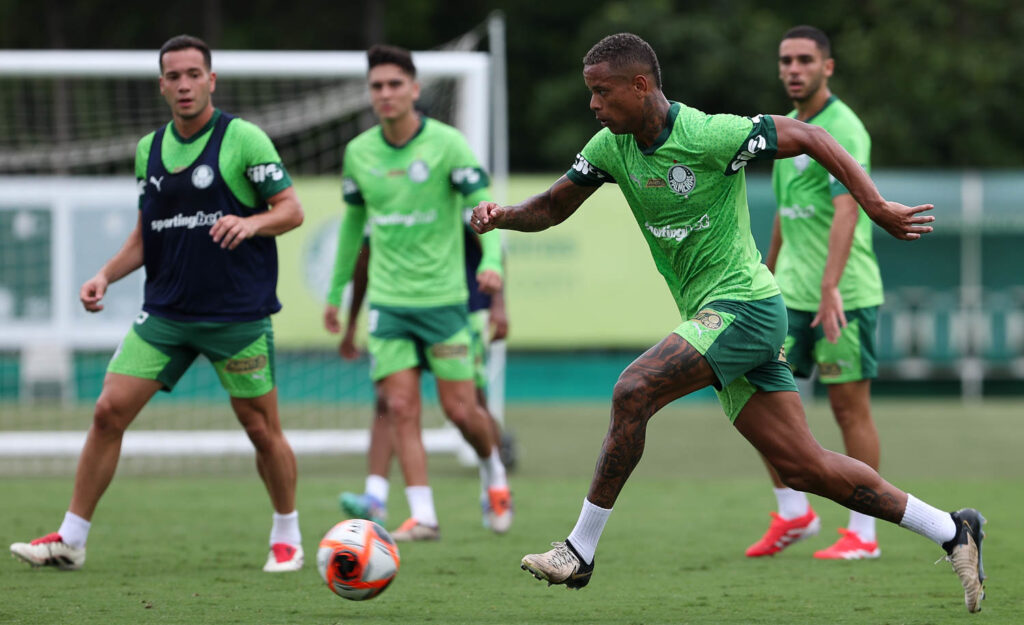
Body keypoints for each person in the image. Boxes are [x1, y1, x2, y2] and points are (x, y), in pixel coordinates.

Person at [471, 33, 986, 613]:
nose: (593, 105)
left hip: (745, 307)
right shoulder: (611, 147)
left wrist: (874, 204)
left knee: (633, 389)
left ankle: (579, 549)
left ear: (640, 86)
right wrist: (503, 216)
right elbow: (552, 206)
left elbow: (814, 137)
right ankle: (952, 528)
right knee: (805, 468)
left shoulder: (710, 134)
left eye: (601, 92)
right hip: (719, 319)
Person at [9, 35, 306, 573]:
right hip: (166, 314)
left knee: (262, 430)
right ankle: (70, 540)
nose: (185, 85)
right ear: (162, 85)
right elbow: (148, 233)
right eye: (174, 76)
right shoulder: (149, 149)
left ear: (211, 80)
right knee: (107, 412)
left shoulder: (243, 139)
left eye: (194, 74)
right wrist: (105, 275)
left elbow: (291, 210)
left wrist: (251, 223)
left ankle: (287, 535)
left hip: (236, 316)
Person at [323, 44, 513, 542]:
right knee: (399, 408)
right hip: (388, 306)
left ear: (414, 89)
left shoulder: (447, 145)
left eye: (394, 84)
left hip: (444, 303)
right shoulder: (359, 153)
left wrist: (491, 265)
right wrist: (336, 293)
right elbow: (353, 227)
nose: (385, 93)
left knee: (461, 411)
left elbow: (485, 209)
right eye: (376, 86)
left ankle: (494, 473)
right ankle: (423, 515)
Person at [745, 26, 885, 560]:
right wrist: (767, 270)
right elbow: (786, 209)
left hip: (843, 295)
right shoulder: (788, 127)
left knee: (850, 412)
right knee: (754, 396)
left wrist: (830, 286)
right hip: (788, 295)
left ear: (827, 67)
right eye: (786, 60)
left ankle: (864, 533)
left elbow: (849, 208)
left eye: (805, 60)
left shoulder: (843, 127)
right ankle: (793, 512)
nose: (793, 69)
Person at [334, 216, 511, 529]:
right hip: (397, 312)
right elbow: (365, 254)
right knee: (389, 401)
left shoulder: (447, 192)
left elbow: (489, 241)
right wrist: (351, 320)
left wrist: (498, 304)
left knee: (467, 407)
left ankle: (494, 477)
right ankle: (376, 497)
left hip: (458, 311)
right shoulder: (381, 198)